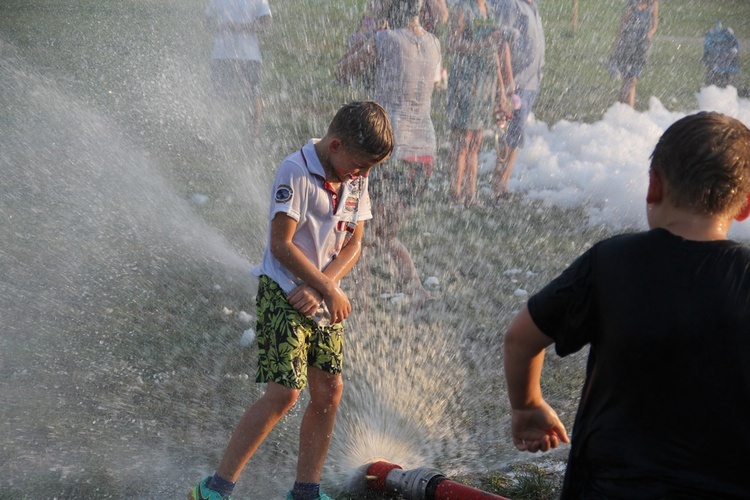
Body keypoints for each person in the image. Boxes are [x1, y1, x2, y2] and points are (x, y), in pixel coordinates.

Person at [503, 111, 750, 498]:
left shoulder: (611, 262)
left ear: (653, 186)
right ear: (745, 205)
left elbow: (521, 338)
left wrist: (527, 405)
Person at [188, 101, 394, 500]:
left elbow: (354, 243)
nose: (363, 176)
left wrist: (323, 287)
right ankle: (215, 488)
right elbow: (280, 246)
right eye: (361, 166)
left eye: (370, 169)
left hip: (319, 295)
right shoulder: (295, 171)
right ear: (335, 145)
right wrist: (327, 288)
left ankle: (305, 491)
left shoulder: (354, 178)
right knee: (284, 392)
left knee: (329, 391)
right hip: (282, 292)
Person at [335, 0, 441, 303]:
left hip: (389, 150)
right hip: (424, 155)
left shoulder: (385, 40)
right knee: (385, 234)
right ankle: (415, 288)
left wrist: (367, 34)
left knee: (362, 232)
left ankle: (360, 297)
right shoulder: (433, 42)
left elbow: (342, 71)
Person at [446, 0, 510, 208]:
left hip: (485, 84)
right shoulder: (462, 9)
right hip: (466, 81)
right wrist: (478, 46)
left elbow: (494, 53)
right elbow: (451, 43)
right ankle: (455, 194)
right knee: (463, 142)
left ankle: (470, 195)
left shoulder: (489, 10)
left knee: (476, 142)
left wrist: (501, 89)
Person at [488, 0, 544, 201]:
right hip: (518, 81)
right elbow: (502, 43)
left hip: (531, 81)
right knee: (511, 135)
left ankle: (504, 184)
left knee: (517, 136)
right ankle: (497, 187)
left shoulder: (532, 5)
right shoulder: (511, 5)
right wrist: (509, 84)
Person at [204, 0, 272, 135]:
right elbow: (207, 23)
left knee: (252, 95)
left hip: (249, 56)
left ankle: (254, 133)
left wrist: (240, 27)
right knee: (216, 93)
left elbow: (266, 24)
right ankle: (210, 131)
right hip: (222, 54)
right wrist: (220, 27)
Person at [608, 0, 658, 107]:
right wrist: (615, 49)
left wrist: (649, 34)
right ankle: (626, 110)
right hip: (627, 45)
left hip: (640, 47)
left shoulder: (652, 5)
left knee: (631, 80)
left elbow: (654, 25)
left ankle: (622, 109)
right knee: (629, 80)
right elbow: (621, 31)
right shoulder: (631, 8)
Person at [702, 21, 740, 89]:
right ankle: (714, 86)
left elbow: (735, 44)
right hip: (716, 61)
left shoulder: (727, 36)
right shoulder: (711, 37)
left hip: (726, 61)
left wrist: (734, 50)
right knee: (714, 75)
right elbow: (707, 47)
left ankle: (727, 86)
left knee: (726, 76)